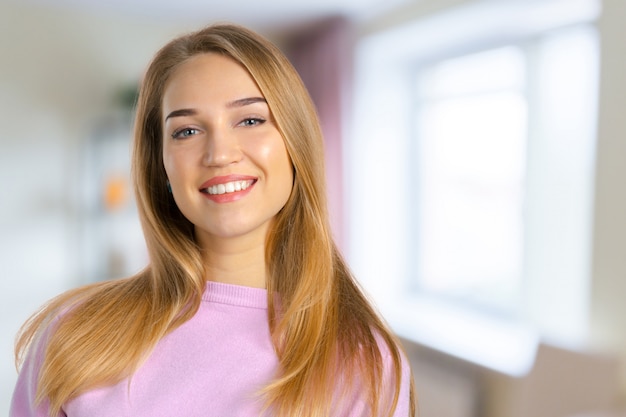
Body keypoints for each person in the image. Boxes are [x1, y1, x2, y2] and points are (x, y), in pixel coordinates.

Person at [10, 23, 416, 417]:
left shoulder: (364, 363)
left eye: (251, 120)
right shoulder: (76, 333)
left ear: (296, 143)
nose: (220, 153)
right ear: (162, 167)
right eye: (186, 131)